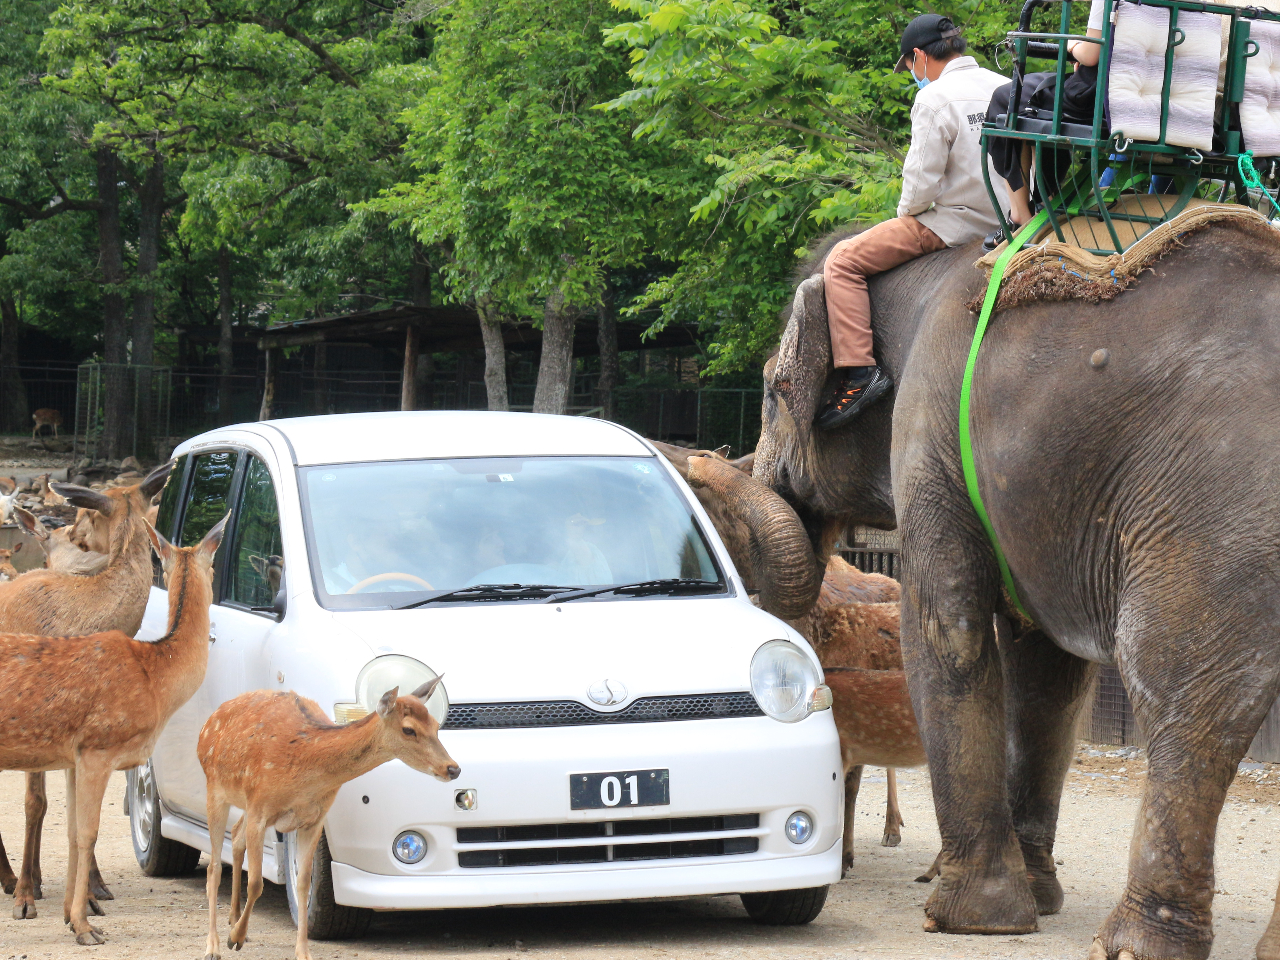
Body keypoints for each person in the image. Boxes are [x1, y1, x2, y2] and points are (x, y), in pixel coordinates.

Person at [817, 15, 1011, 431]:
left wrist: (906, 214)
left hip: (954, 225)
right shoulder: (1006, 85)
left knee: (842, 261)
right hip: (1014, 222)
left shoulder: (933, 98)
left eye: (909, 66)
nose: (913, 74)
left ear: (919, 56)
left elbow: (920, 188)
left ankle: (860, 373)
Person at [987, 0, 1105, 226]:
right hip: (1152, 100)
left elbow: (1090, 54)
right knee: (1045, 101)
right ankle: (1046, 197)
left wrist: (1072, 44)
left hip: (1099, 96)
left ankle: (1020, 215)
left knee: (1007, 98)